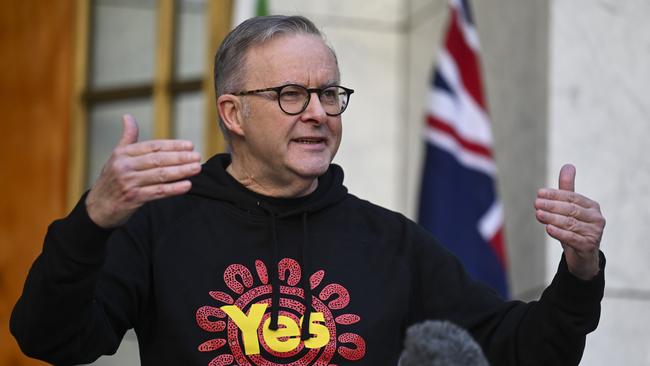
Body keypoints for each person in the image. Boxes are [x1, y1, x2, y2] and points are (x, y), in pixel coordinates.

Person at [11, 15, 605, 366]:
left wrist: (579, 271)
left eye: (330, 95)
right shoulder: (160, 226)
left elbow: (525, 353)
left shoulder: (390, 241)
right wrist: (92, 221)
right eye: (291, 95)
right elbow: (49, 337)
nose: (318, 113)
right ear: (233, 113)